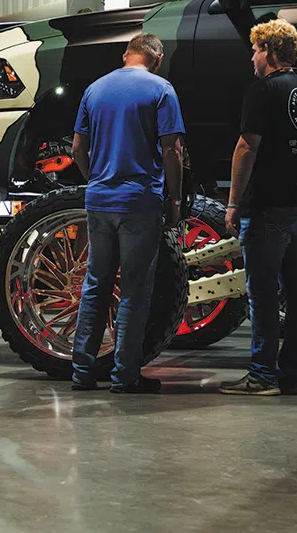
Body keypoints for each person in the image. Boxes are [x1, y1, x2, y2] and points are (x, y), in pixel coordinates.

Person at [70, 33, 185, 394]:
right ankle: (124, 376)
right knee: (134, 290)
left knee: (95, 284)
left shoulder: (94, 90)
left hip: (99, 200)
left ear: (126, 54)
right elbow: (172, 150)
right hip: (139, 201)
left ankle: (82, 372)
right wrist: (175, 198)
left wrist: (96, 180)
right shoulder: (161, 90)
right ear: (158, 59)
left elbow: (77, 148)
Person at [219, 19, 297, 397]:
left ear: (270, 51)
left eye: (255, 50)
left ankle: (262, 375)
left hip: (269, 208)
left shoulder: (263, 90)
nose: (252, 57)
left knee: (262, 295)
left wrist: (233, 202)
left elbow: (247, 147)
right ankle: (293, 374)